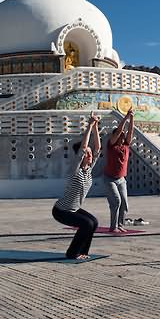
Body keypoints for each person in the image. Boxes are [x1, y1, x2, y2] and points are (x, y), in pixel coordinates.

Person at [52, 112, 102, 260]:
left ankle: (83, 251)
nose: (90, 154)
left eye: (90, 153)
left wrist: (95, 127)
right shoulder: (75, 170)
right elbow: (83, 147)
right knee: (86, 224)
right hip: (61, 210)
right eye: (87, 153)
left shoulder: (88, 169)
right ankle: (72, 252)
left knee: (94, 222)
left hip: (74, 209)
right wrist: (89, 125)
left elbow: (97, 148)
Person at [103, 108, 134, 233]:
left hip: (121, 179)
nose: (122, 136)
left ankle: (120, 224)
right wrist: (125, 118)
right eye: (120, 135)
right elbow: (120, 130)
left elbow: (130, 132)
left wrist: (132, 118)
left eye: (122, 136)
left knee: (124, 203)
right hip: (109, 179)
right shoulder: (112, 146)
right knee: (116, 201)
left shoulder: (126, 146)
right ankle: (113, 226)